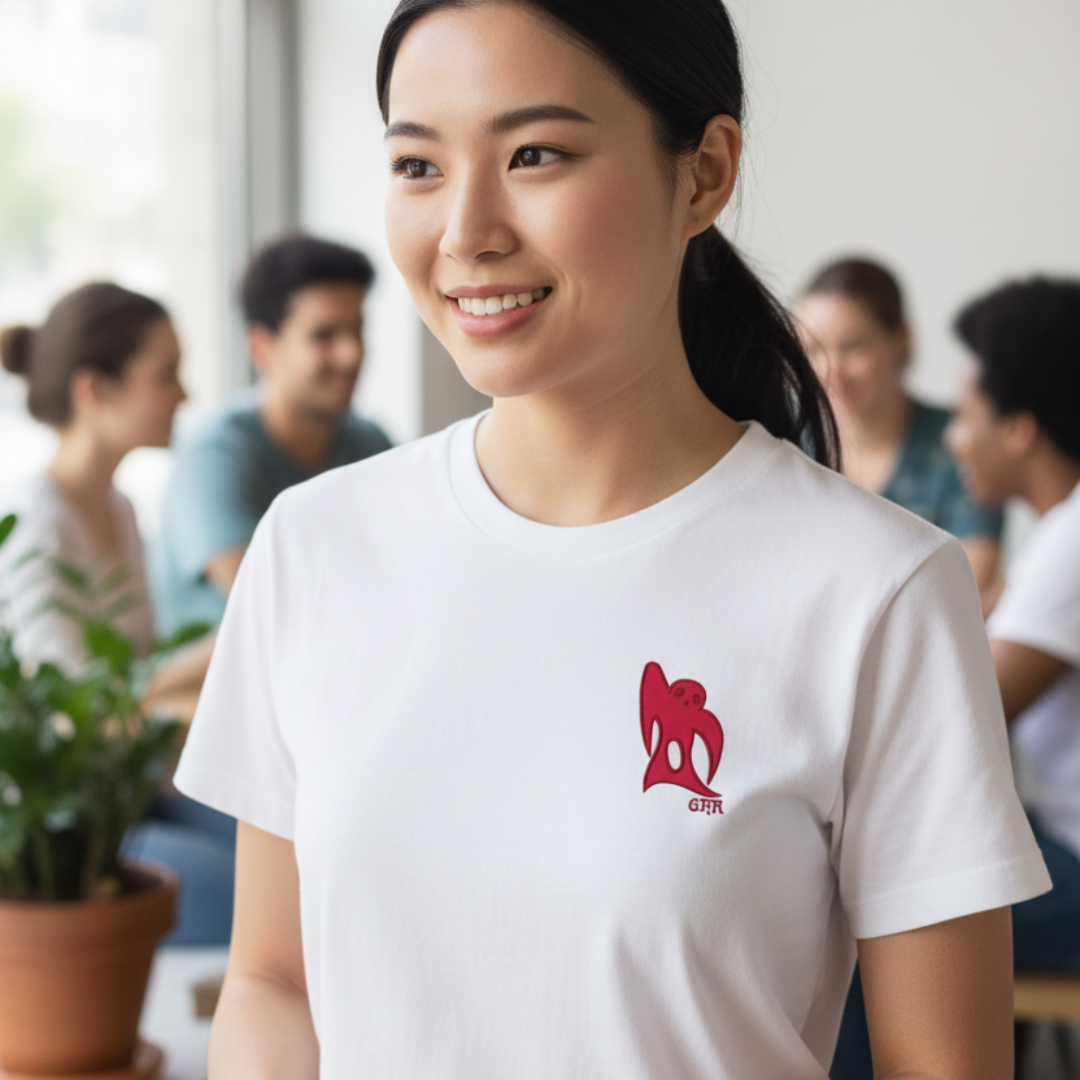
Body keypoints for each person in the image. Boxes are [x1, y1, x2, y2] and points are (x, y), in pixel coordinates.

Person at [176, 3, 1049, 1077]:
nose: (465, 231)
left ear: (704, 172)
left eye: (535, 153)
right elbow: (275, 981)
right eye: (417, 165)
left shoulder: (877, 587)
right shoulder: (314, 546)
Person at [0, 282, 234, 944]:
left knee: (294, 853)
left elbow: (136, 681)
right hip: (68, 829)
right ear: (94, 390)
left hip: (137, 792)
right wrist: (231, 640)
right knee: (252, 895)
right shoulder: (34, 526)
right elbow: (78, 724)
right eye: (166, 375)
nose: (184, 395)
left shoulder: (121, 507)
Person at [154, 233, 392, 635]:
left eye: (358, 330)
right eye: (325, 335)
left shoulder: (368, 442)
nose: (352, 353)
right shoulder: (214, 456)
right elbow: (275, 607)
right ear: (262, 347)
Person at [945, 278, 1080, 976]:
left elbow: (960, 719)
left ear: (1019, 429)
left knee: (865, 912)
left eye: (968, 415)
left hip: (1073, 861)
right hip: (1054, 838)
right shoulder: (1059, 536)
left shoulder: (1072, 543)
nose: (953, 437)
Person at [797, 258, 1003, 598]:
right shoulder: (784, 440)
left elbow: (967, 594)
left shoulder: (963, 443)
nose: (832, 371)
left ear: (902, 338)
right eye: (813, 349)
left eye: (853, 347)